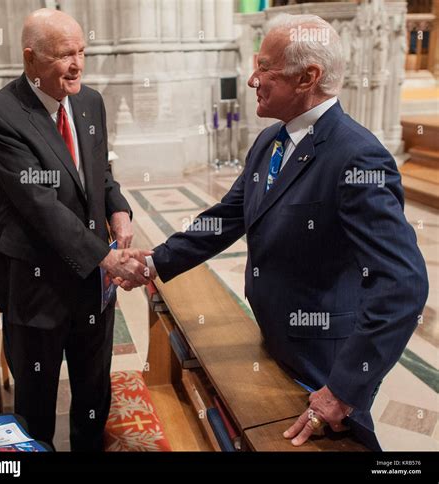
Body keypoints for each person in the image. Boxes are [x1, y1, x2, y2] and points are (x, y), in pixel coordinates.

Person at [126, 14, 429, 449]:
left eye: (265, 67)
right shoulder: (271, 140)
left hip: (325, 360)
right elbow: (227, 217)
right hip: (276, 339)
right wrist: (156, 261)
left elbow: (403, 285)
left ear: (308, 77)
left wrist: (343, 391)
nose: (252, 79)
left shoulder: (356, 157)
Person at [0, 8, 151, 451]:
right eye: (63, 55)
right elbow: (41, 208)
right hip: (38, 288)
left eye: (81, 52)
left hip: (91, 285)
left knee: (93, 394)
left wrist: (120, 212)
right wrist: (107, 257)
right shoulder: (0, 116)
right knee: (35, 408)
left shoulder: (90, 101)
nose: (77, 64)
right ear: (30, 58)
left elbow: (101, 175)